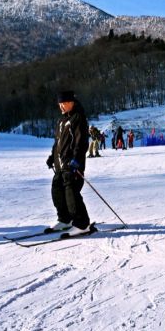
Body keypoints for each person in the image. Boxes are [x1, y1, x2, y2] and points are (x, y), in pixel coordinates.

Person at [45, 90, 92, 236]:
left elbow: (81, 142)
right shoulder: (61, 121)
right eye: (59, 104)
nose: (61, 107)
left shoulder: (78, 118)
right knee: (57, 191)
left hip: (72, 164)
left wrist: (76, 160)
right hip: (60, 164)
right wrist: (52, 157)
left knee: (71, 192)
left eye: (63, 104)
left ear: (71, 102)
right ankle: (65, 219)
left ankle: (82, 224)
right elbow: (57, 143)